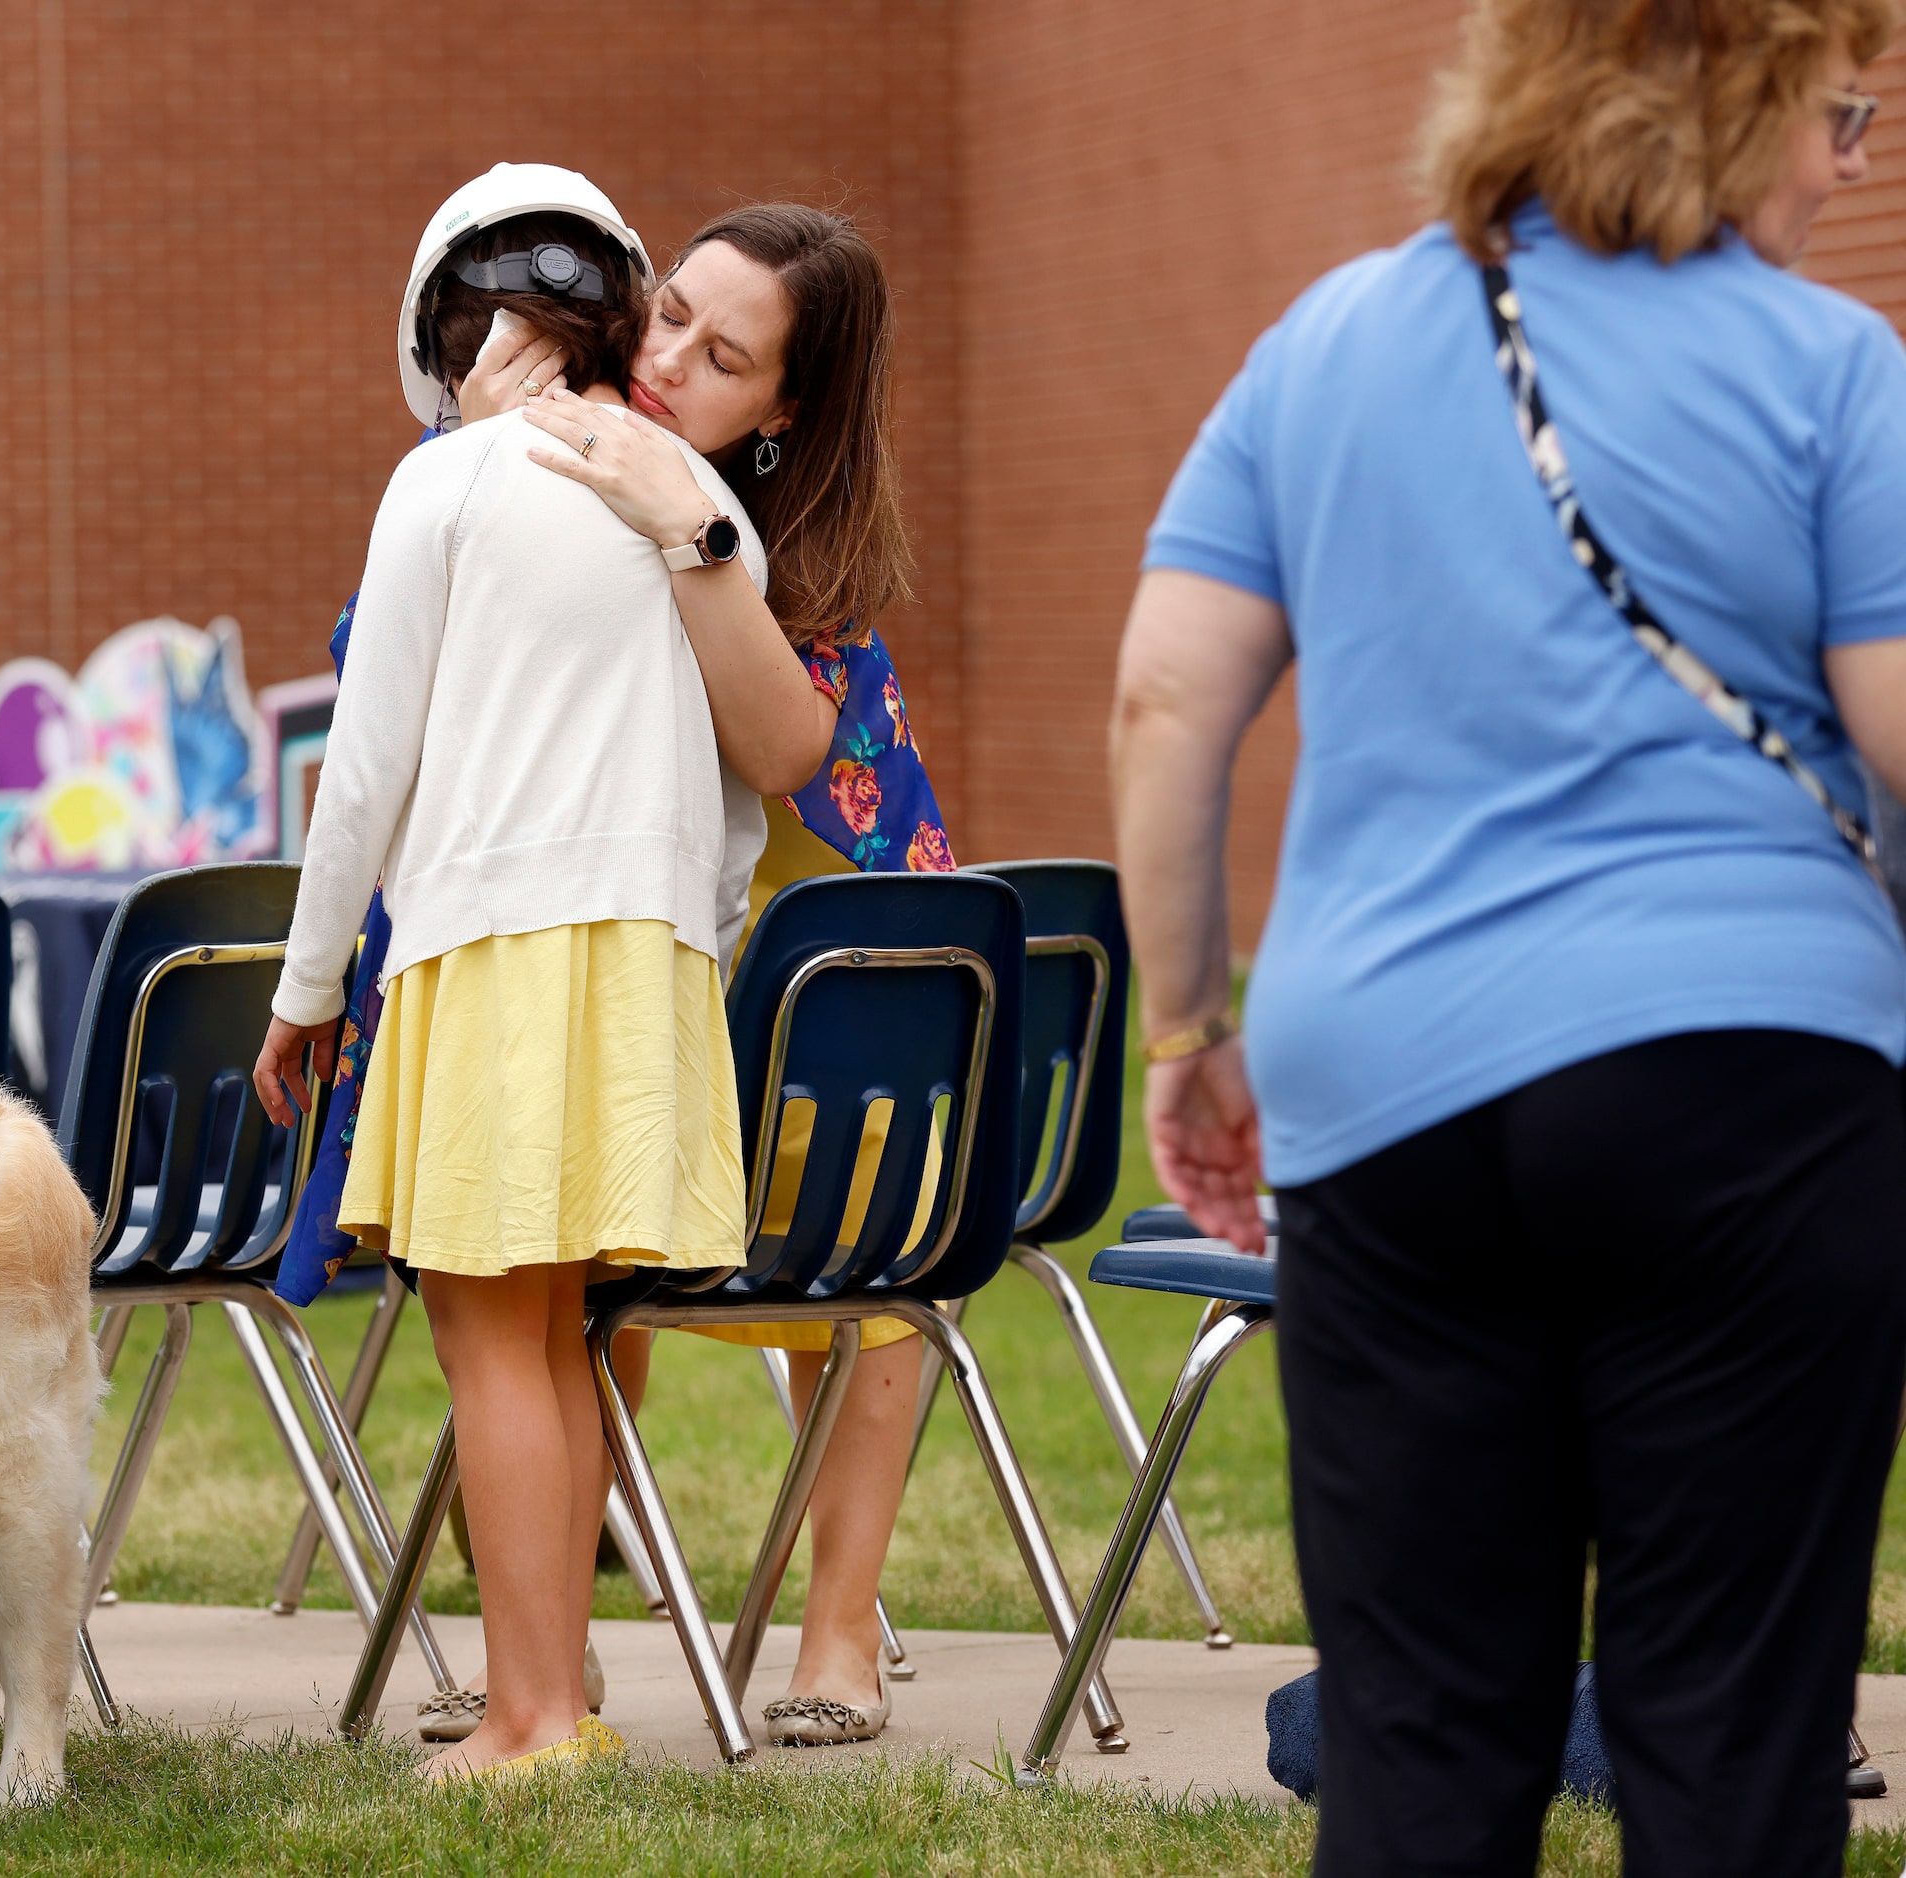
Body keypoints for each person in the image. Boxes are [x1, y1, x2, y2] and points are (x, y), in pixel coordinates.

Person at [1115, 0, 1906, 1870]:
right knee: (1730, 1730)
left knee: (1418, 1734)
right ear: (1735, 95)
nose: (1857, 165)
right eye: (1847, 113)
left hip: (1389, 1102)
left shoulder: (1324, 343)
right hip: (1753, 1085)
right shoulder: (1836, 369)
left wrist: (1184, 1025)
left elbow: (1166, 701)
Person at [252, 165, 812, 1780]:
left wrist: (306, 990)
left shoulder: (441, 486)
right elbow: (734, 799)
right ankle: (554, 1696)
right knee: (558, 1337)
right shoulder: (698, 507)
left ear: (449, 330)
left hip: (483, 952)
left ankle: (526, 1713)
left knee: (493, 1343)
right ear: (620, 304)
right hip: (644, 960)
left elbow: (362, 772)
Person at [470, 203, 946, 1749]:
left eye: (723, 353)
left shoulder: (799, 565)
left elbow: (787, 749)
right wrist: (491, 442)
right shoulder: (571, 445)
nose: (666, 357)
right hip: (645, 971)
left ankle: (838, 1634)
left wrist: (683, 527)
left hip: (841, 996)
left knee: (872, 1253)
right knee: (552, 1237)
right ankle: (553, 1646)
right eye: (666, 312)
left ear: (787, 409)